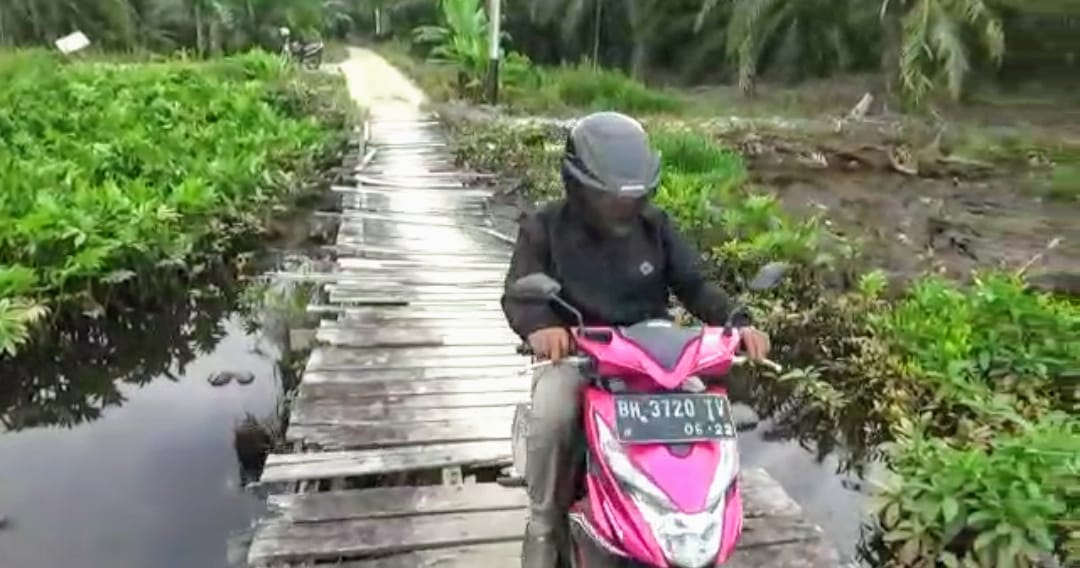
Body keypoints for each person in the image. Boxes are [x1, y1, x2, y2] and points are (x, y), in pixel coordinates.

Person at [500, 111, 772, 568]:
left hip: (653, 354)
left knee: (706, 403)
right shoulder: (544, 226)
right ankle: (544, 525)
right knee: (551, 411)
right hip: (581, 356)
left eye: (631, 198)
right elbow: (521, 290)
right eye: (610, 198)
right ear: (579, 185)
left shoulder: (656, 226)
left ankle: (688, 516)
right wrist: (542, 327)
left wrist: (736, 321)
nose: (622, 208)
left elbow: (695, 284)